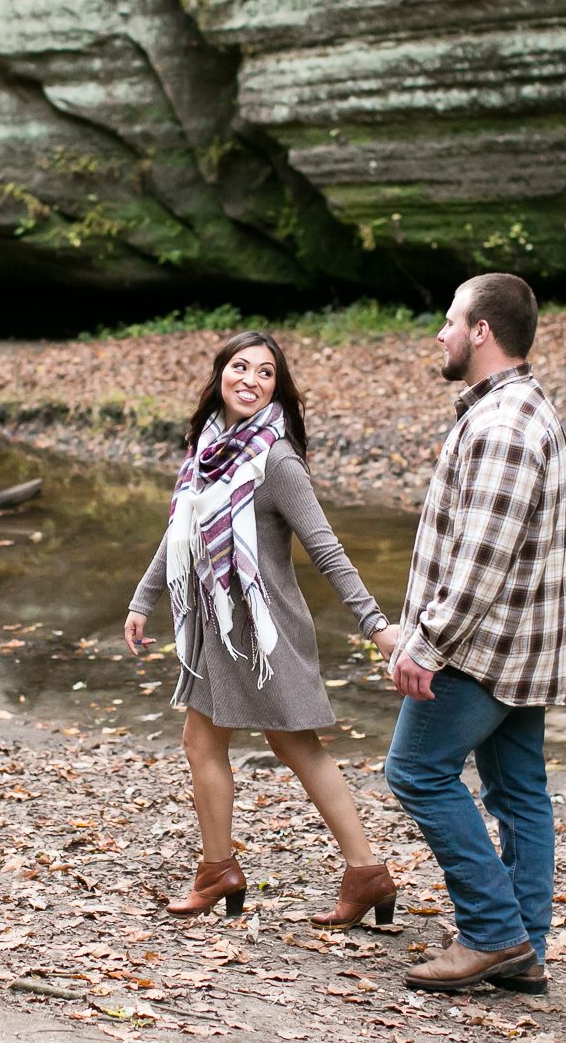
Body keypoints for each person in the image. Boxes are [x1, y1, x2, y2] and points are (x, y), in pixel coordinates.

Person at [125, 330, 404, 929]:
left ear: (278, 387)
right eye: (240, 367)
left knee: (297, 744)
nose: (251, 380)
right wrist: (143, 599)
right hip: (214, 628)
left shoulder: (276, 460)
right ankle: (219, 868)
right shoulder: (207, 449)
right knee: (202, 743)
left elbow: (326, 550)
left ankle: (365, 871)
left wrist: (376, 625)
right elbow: (183, 534)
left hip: (264, 631)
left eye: (267, 373)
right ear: (220, 373)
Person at [380, 274, 566, 995]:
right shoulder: (522, 409)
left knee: (417, 772)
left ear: (482, 332)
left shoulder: (501, 426)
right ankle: (523, 948)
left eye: (450, 320)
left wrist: (423, 645)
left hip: (481, 649)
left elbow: (481, 560)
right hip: (521, 649)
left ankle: (494, 933)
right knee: (519, 790)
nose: (441, 333)